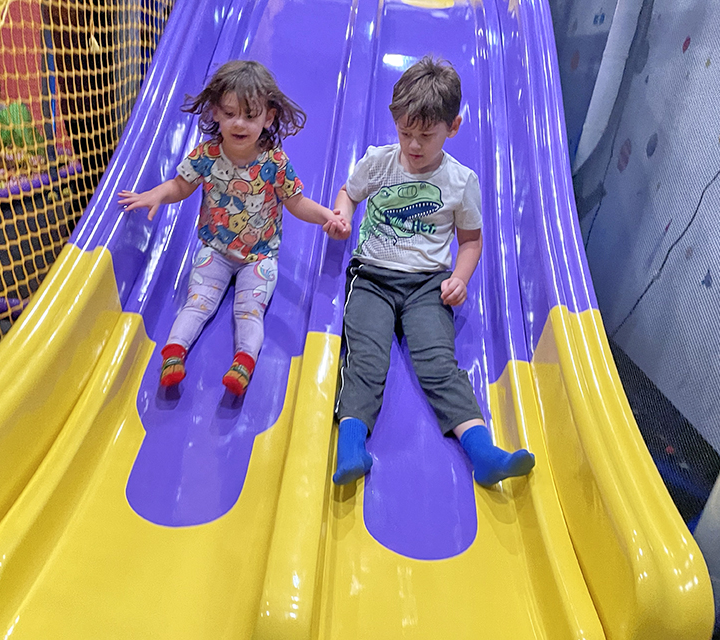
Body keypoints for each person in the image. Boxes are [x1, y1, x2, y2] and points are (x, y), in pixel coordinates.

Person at [331, 56, 535, 487]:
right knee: (366, 357)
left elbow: (471, 241)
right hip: (372, 277)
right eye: (405, 133)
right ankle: (351, 447)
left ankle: (483, 453)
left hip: (428, 285)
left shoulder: (461, 182)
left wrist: (460, 277)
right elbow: (348, 193)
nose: (414, 145)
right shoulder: (379, 162)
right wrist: (343, 215)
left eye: (426, 135)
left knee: (439, 365)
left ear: (453, 127)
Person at [119, 60, 349, 396]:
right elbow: (182, 185)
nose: (238, 123)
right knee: (196, 302)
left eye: (250, 116)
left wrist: (327, 216)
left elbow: (296, 202)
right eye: (229, 114)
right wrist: (156, 193)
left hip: (260, 256)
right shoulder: (208, 154)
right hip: (216, 249)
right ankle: (173, 355)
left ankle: (243, 362)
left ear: (268, 117)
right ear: (214, 113)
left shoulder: (274, 162)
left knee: (249, 310)